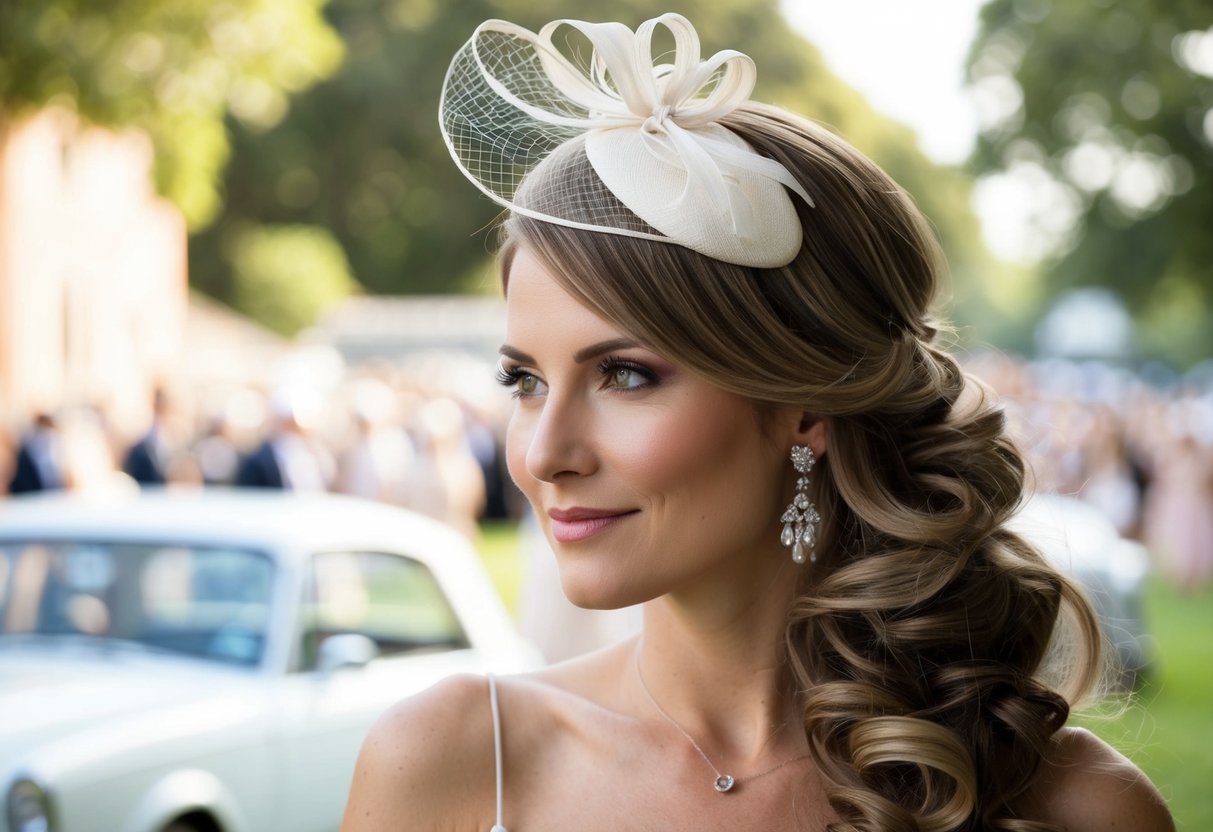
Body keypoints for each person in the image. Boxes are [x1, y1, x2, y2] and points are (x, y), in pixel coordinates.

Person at [342, 14, 1173, 832]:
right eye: (523, 380)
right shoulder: (453, 762)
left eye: (623, 375)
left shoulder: (1078, 808)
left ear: (804, 406)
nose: (543, 454)